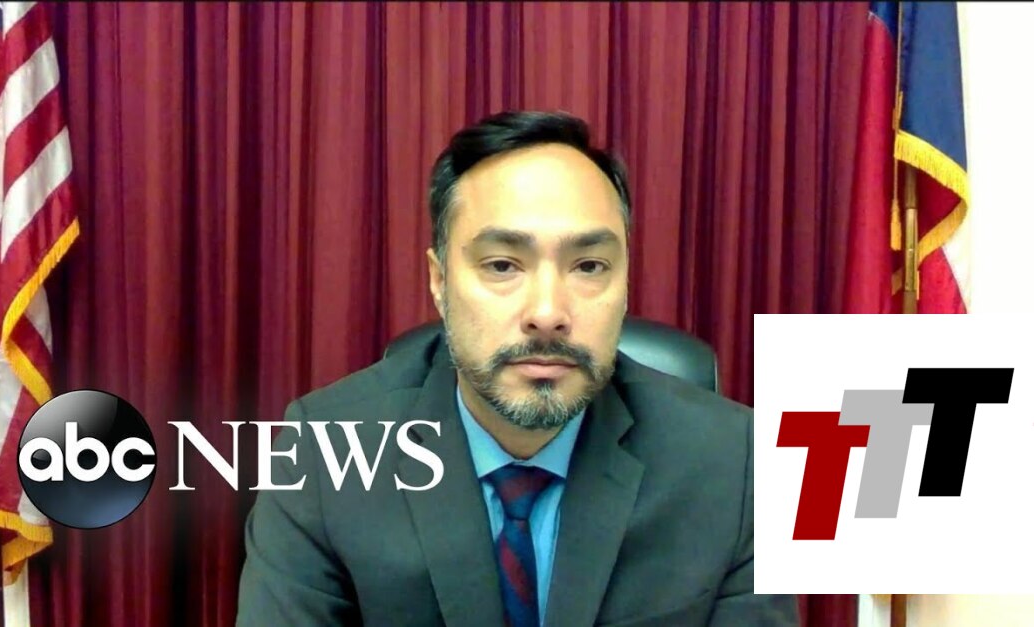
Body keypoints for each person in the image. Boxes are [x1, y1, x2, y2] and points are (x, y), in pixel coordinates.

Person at [236, 111, 798, 626]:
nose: (548, 313)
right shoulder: (322, 452)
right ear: (439, 282)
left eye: (589, 265)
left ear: (626, 281)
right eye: (503, 264)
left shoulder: (737, 463)